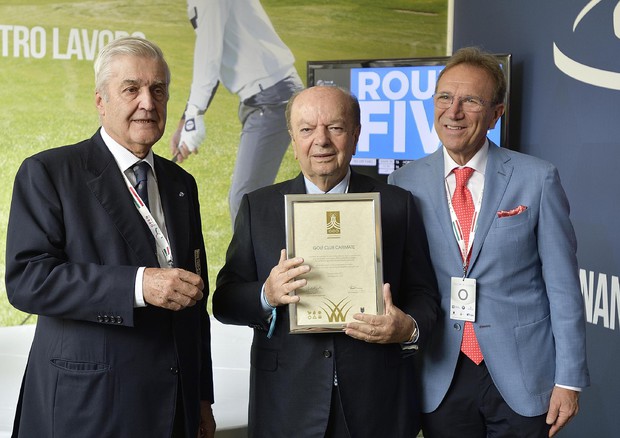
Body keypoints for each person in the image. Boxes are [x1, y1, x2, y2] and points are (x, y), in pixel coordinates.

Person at [5, 37, 216, 438]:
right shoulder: (49, 172)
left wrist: (201, 397)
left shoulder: (180, 183)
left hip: (174, 408)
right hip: (87, 408)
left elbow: (194, 299)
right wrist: (138, 284)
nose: (148, 103)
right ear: (101, 100)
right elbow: (28, 281)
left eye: (158, 90)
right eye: (131, 89)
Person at [212, 85, 440, 438]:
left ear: (356, 134)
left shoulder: (397, 204)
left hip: (375, 403)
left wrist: (407, 327)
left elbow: (425, 295)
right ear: (292, 138)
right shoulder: (259, 207)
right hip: (287, 402)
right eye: (306, 129)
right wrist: (266, 295)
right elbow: (225, 300)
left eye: (335, 127)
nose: (321, 141)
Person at [389, 46, 590, 437]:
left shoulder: (537, 178)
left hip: (523, 376)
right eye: (445, 98)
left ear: (497, 113)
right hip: (439, 374)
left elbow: (563, 288)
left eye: (471, 101)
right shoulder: (403, 184)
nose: (454, 111)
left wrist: (569, 380)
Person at [170, 0, 304, 223]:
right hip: (264, 97)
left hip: (271, 97)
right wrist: (187, 117)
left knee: (245, 200)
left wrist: (194, 114)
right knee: (248, 200)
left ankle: (258, 259)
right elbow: (215, 57)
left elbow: (208, 56)